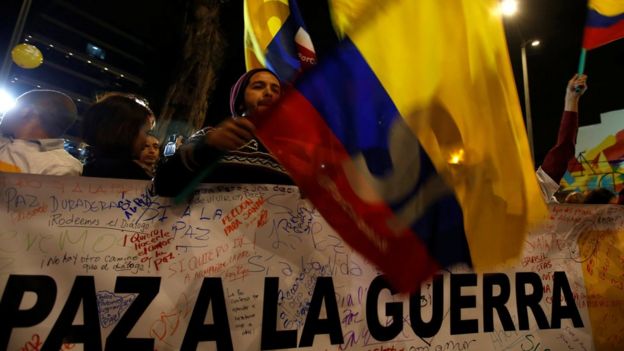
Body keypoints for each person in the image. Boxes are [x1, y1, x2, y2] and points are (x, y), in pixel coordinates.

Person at [155, 68, 293, 197]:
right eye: (258, 86)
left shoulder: (294, 151)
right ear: (240, 102)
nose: (269, 93)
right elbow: (163, 185)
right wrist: (207, 147)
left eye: (276, 90)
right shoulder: (212, 136)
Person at [0, 89, 82, 175]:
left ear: (26, 111)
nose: (4, 114)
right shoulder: (59, 166)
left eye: (13, 108)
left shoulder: (61, 167)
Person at [537, 74, 586, 203]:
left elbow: (562, 151)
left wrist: (572, 99)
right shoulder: (531, 191)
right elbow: (563, 151)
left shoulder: (531, 190)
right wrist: (571, 99)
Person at [81, 93, 155, 180]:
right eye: (146, 132)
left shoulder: (83, 170)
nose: (146, 140)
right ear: (128, 131)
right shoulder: (134, 177)